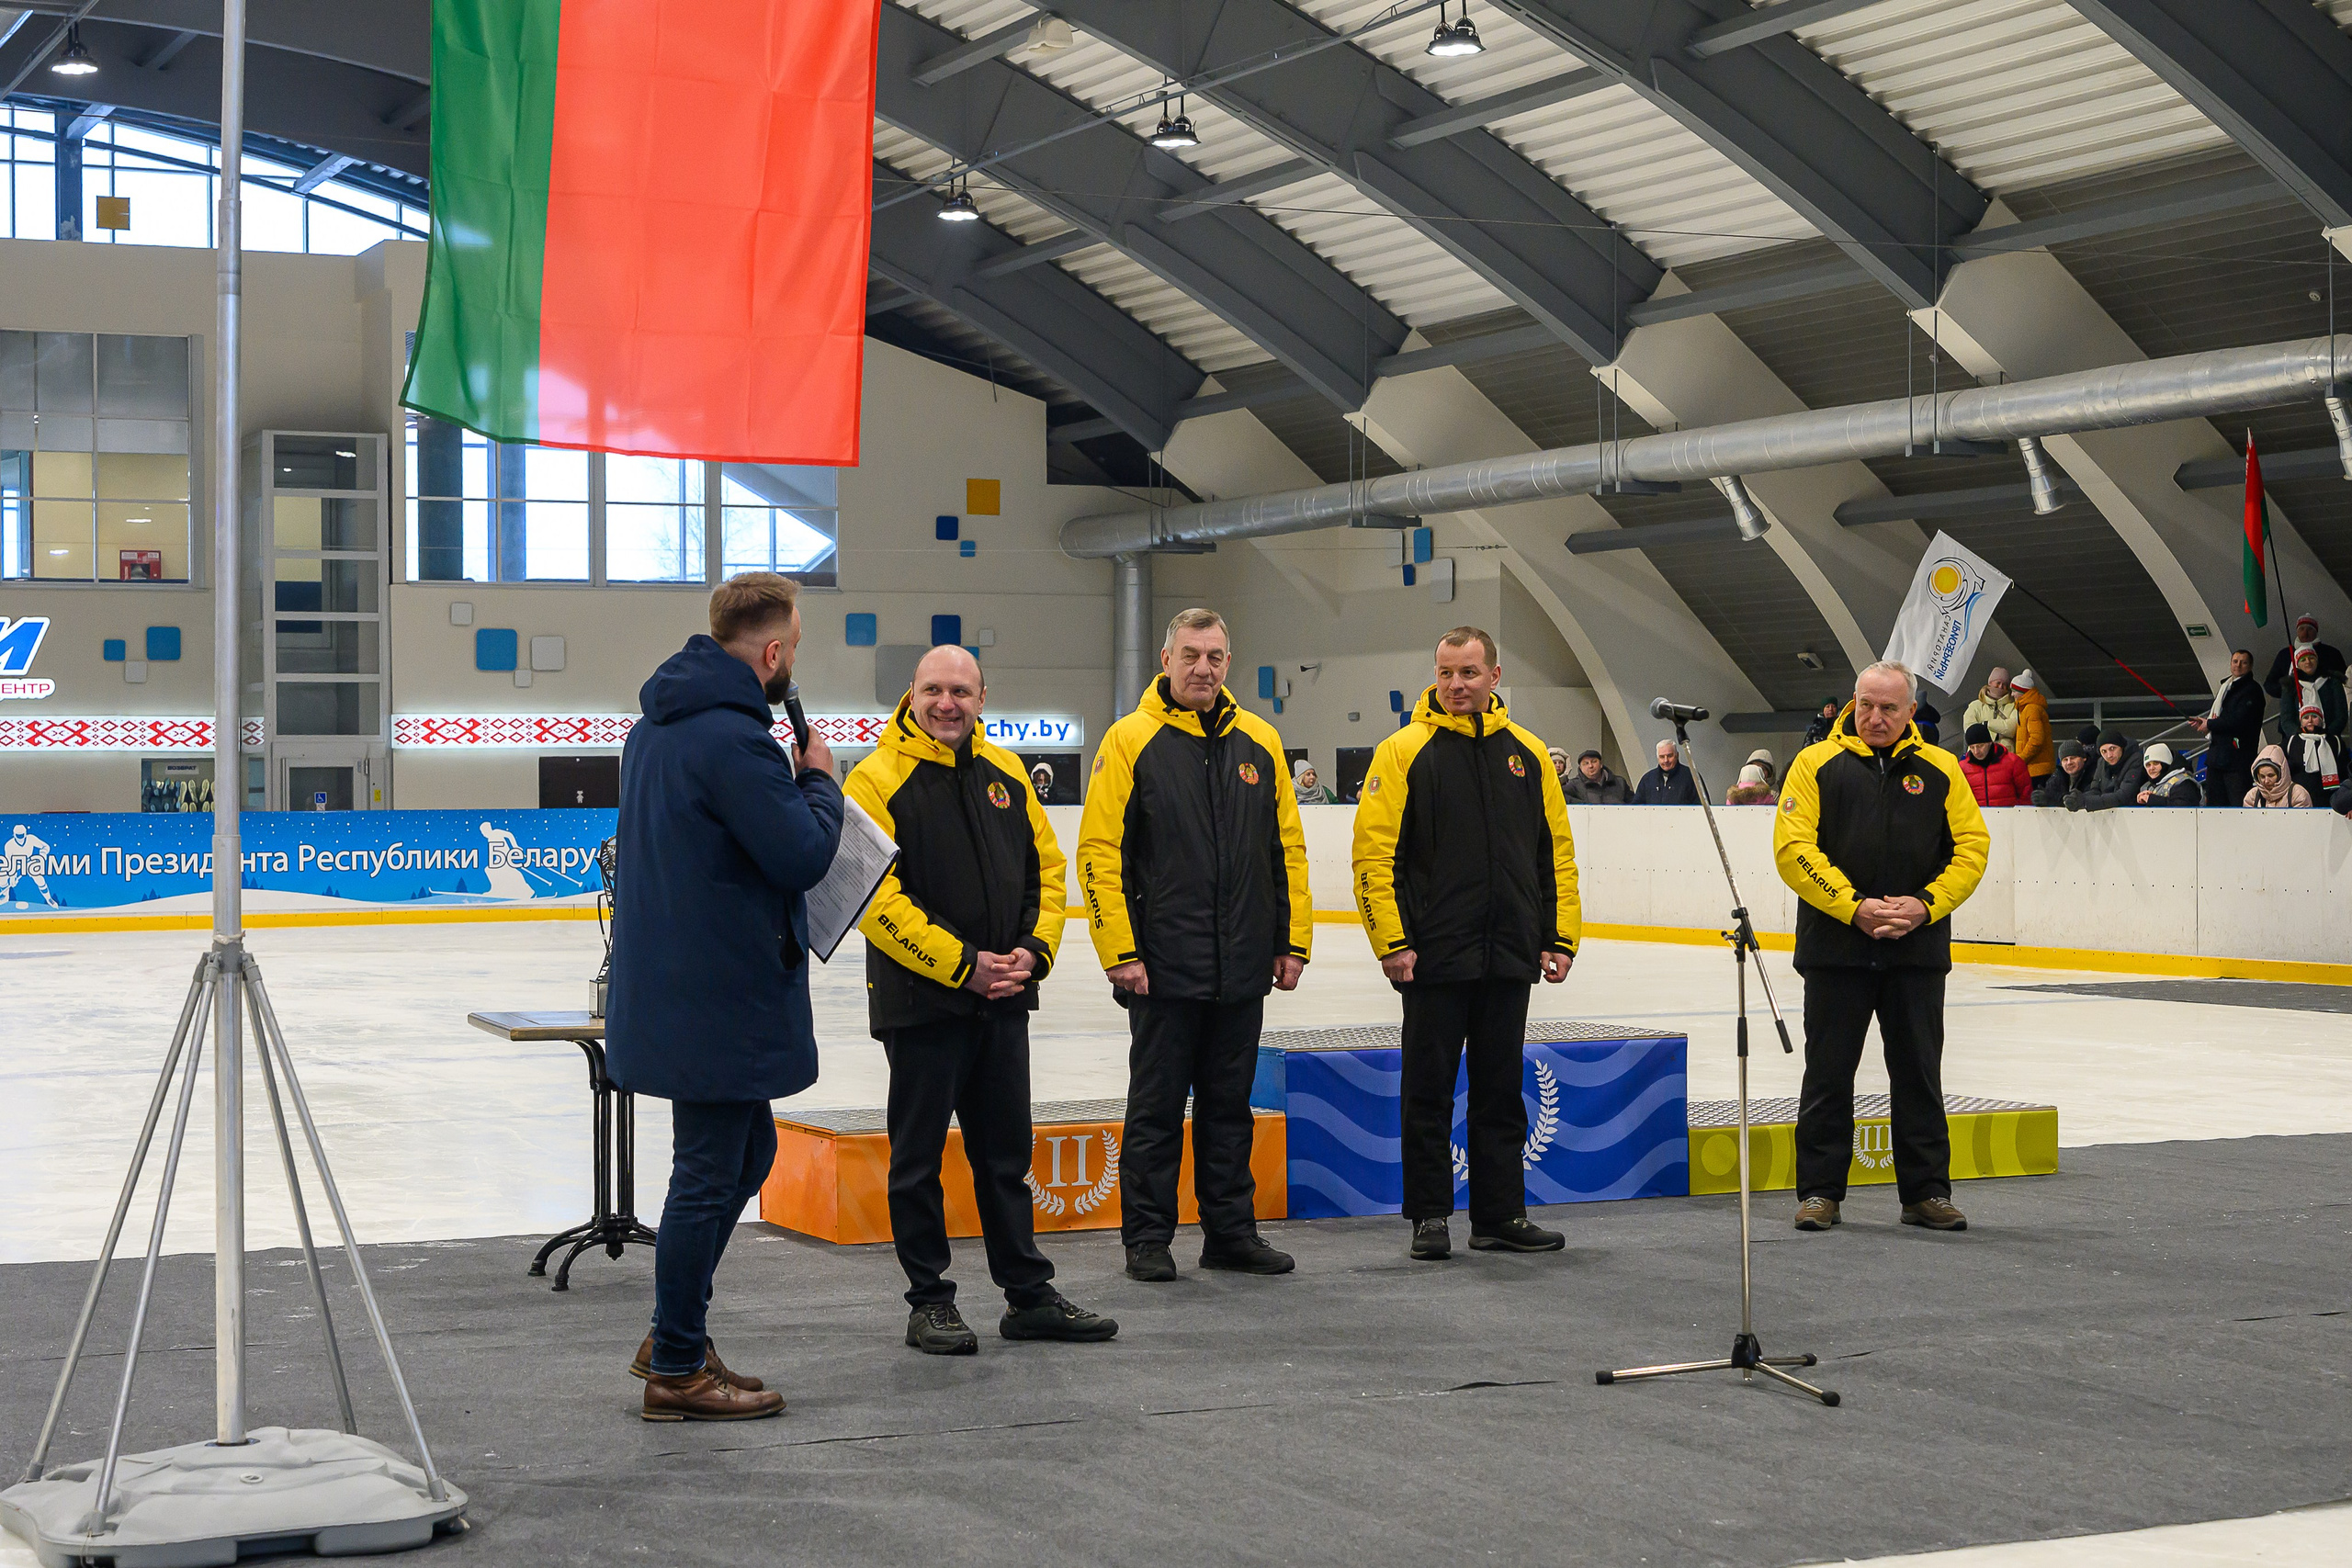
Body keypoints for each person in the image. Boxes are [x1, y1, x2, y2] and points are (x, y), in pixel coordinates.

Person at [607, 572, 843, 1421]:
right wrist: (818, 779)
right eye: (796, 649)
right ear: (773, 652)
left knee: (747, 1154)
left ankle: (678, 1332)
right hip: (716, 997)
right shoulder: (735, 742)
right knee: (710, 1171)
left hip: (686, 988)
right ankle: (675, 1361)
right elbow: (801, 854)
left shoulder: (656, 731)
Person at [846, 648, 1116, 1356]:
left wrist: (1034, 948)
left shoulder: (1008, 775)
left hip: (1002, 999)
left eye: (960, 690)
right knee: (918, 1159)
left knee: (1005, 1156)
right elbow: (876, 901)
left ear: (982, 696)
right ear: (911, 694)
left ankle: (1028, 1295)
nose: (947, 702)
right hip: (922, 1002)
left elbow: (1047, 871)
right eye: (934, 689)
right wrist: (960, 964)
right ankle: (929, 1300)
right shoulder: (875, 780)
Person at [1078, 608, 1311, 1283]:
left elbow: (1285, 849)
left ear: (1228, 662)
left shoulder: (1261, 741)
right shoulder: (1129, 741)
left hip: (1242, 965)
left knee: (1228, 1107)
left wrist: (1291, 941)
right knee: (1154, 1111)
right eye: (1190, 655)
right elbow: (1099, 852)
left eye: (1214, 655)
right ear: (1165, 658)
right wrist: (1120, 951)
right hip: (1160, 968)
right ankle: (1147, 1238)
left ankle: (1231, 1233)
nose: (1202, 667)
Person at [1353, 628, 1581, 1262]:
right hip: (1432, 954)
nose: (1457, 684)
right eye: (1447, 672)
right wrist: (1392, 941)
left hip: (1508, 951)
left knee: (1500, 1091)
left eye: (1470, 672)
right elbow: (1374, 856)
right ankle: (1429, 1214)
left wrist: (1559, 937)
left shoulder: (1528, 754)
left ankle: (1500, 1213)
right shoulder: (1403, 751)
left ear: (1495, 674)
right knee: (1427, 1090)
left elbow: (1553, 853)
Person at [1774, 664, 1989, 1234]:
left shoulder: (1942, 770)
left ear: (1910, 712)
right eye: (1866, 705)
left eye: (1888, 709)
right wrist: (1853, 907)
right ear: (1853, 702)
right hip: (1835, 948)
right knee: (1827, 1074)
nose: (1875, 717)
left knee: (1918, 1073)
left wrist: (1924, 904)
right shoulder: (1814, 764)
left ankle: (1926, 1193)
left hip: (1915, 952)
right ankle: (1820, 1192)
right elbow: (1793, 850)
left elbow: (1970, 849)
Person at [2188, 649, 2265, 807]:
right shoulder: (2226, 686)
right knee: (2215, 805)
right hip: (2217, 758)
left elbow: (2239, 721)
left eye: (2243, 662)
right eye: (2235, 661)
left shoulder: (2252, 690)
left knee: (2237, 804)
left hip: (2238, 760)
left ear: (2250, 666)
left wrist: (2209, 724)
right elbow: (2220, 718)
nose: (2238, 665)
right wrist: (2206, 723)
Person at [2262, 615, 2346, 700]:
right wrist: (2289, 690)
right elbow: (2270, 684)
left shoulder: (2331, 653)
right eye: (2301, 629)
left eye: (2309, 629)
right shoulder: (2285, 655)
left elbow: (2344, 680)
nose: (2305, 633)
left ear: (2316, 632)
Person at [2067, 729, 2144, 813]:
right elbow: (2095, 790)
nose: (2109, 755)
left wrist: (2086, 801)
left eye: (2112, 749)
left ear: (2121, 747)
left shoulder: (2135, 760)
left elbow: (2124, 796)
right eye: (2104, 751)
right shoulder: (2101, 762)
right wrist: (2078, 798)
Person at [1959, 723, 2033, 807]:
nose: (1976, 751)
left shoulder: (2013, 762)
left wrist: (2017, 815)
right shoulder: (1962, 768)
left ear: (1990, 743)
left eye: (1980, 746)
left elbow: (2026, 795)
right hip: (1976, 817)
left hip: (2009, 817)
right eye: (1972, 747)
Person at [2286, 705, 2345, 801]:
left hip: (2330, 798)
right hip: (2297, 799)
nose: (2310, 720)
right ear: (2301, 722)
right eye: (2306, 718)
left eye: (2314, 716)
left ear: (2321, 720)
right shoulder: (2291, 741)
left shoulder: (2334, 741)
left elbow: (2344, 770)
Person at [2009, 671, 2053, 785]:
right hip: (2036, 768)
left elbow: (2036, 739)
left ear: (2022, 692)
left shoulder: (2031, 709)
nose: (2012, 695)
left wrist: (2022, 758)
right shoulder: (2029, 709)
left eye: (2014, 691)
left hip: (2037, 770)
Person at [1962, 668, 2019, 750]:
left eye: (2005, 684)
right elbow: (1970, 730)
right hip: (1978, 754)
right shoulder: (1975, 706)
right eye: (1998, 683)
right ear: (1990, 683)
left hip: (2005, 754)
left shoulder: (2014, 706)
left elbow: (2012, 728)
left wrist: (1986, 724)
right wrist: (1999, 733)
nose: (2001, 687)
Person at [2132, 742, 2201, 807]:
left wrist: (2151, 799)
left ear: (2165, 764)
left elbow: (2184, 808)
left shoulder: (2183, 783)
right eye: (2148, 765)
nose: (2151, 768)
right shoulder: (2146, 786)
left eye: (2156, 763)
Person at [1634, 739, 1702, 804]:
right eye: (1662, 757)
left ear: (1677, 755)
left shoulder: (1692, 776)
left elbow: (1703, 807)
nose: (1666, 760)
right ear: (1658, 758)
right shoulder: (1647, 779)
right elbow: (1636, 808)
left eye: (1669, 756)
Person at [2245, 745, 2310, 808]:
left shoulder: (2297, 795)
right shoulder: (2252, 796)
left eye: (2271, 775)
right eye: (2262, 776)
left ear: (2281, 774)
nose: (2266, 781)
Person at [1562, 748, 1633, 805]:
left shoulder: (1619, 782)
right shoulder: (1574, 784)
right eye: (1586, 763)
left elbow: (1634, 804)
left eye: (1594, 761)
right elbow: (1559, 796)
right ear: (1580, 768)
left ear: (1601, 764)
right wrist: (1584, 805)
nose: (1590, 766)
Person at [2037, 739, 2092, 807]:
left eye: (2073, 758)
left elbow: (2089, 798)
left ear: (2084, 758)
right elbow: (2051, 794)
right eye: (2065, 760)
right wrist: (2042, 798)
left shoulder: (2093, 774)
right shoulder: (2058, 775)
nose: (2069, 763)